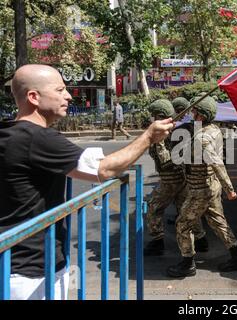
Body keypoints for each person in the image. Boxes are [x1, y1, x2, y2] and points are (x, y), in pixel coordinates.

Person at [0, 64, 174, 300]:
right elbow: (104, 170)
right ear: (34, 97)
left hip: (12, 263)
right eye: (60, 90)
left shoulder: (11, 132)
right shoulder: (37, 138)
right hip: (31, 272)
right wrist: (148, 137)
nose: (69, 96)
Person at [166, 96, 237, 277]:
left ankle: (187, 263)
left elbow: (217, 162)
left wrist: (230, 188)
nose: (191, 114)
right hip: (211, 186)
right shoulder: (214, 130)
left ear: (201, 116)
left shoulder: (202, 137)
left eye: (194, 112)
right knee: (218, 222)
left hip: (200, 188)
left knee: (182, 224)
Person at [144, 99, 208, 256]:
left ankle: (157, 241)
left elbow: (166, 161)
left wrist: (157, 142)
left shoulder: (166, 134)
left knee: (154, 208)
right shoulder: (178, 130)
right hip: (181, 179)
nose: (151, 118)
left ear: (159, 115)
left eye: (154, 115)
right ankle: (201, 240)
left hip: (170, 180)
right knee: (186, 210)